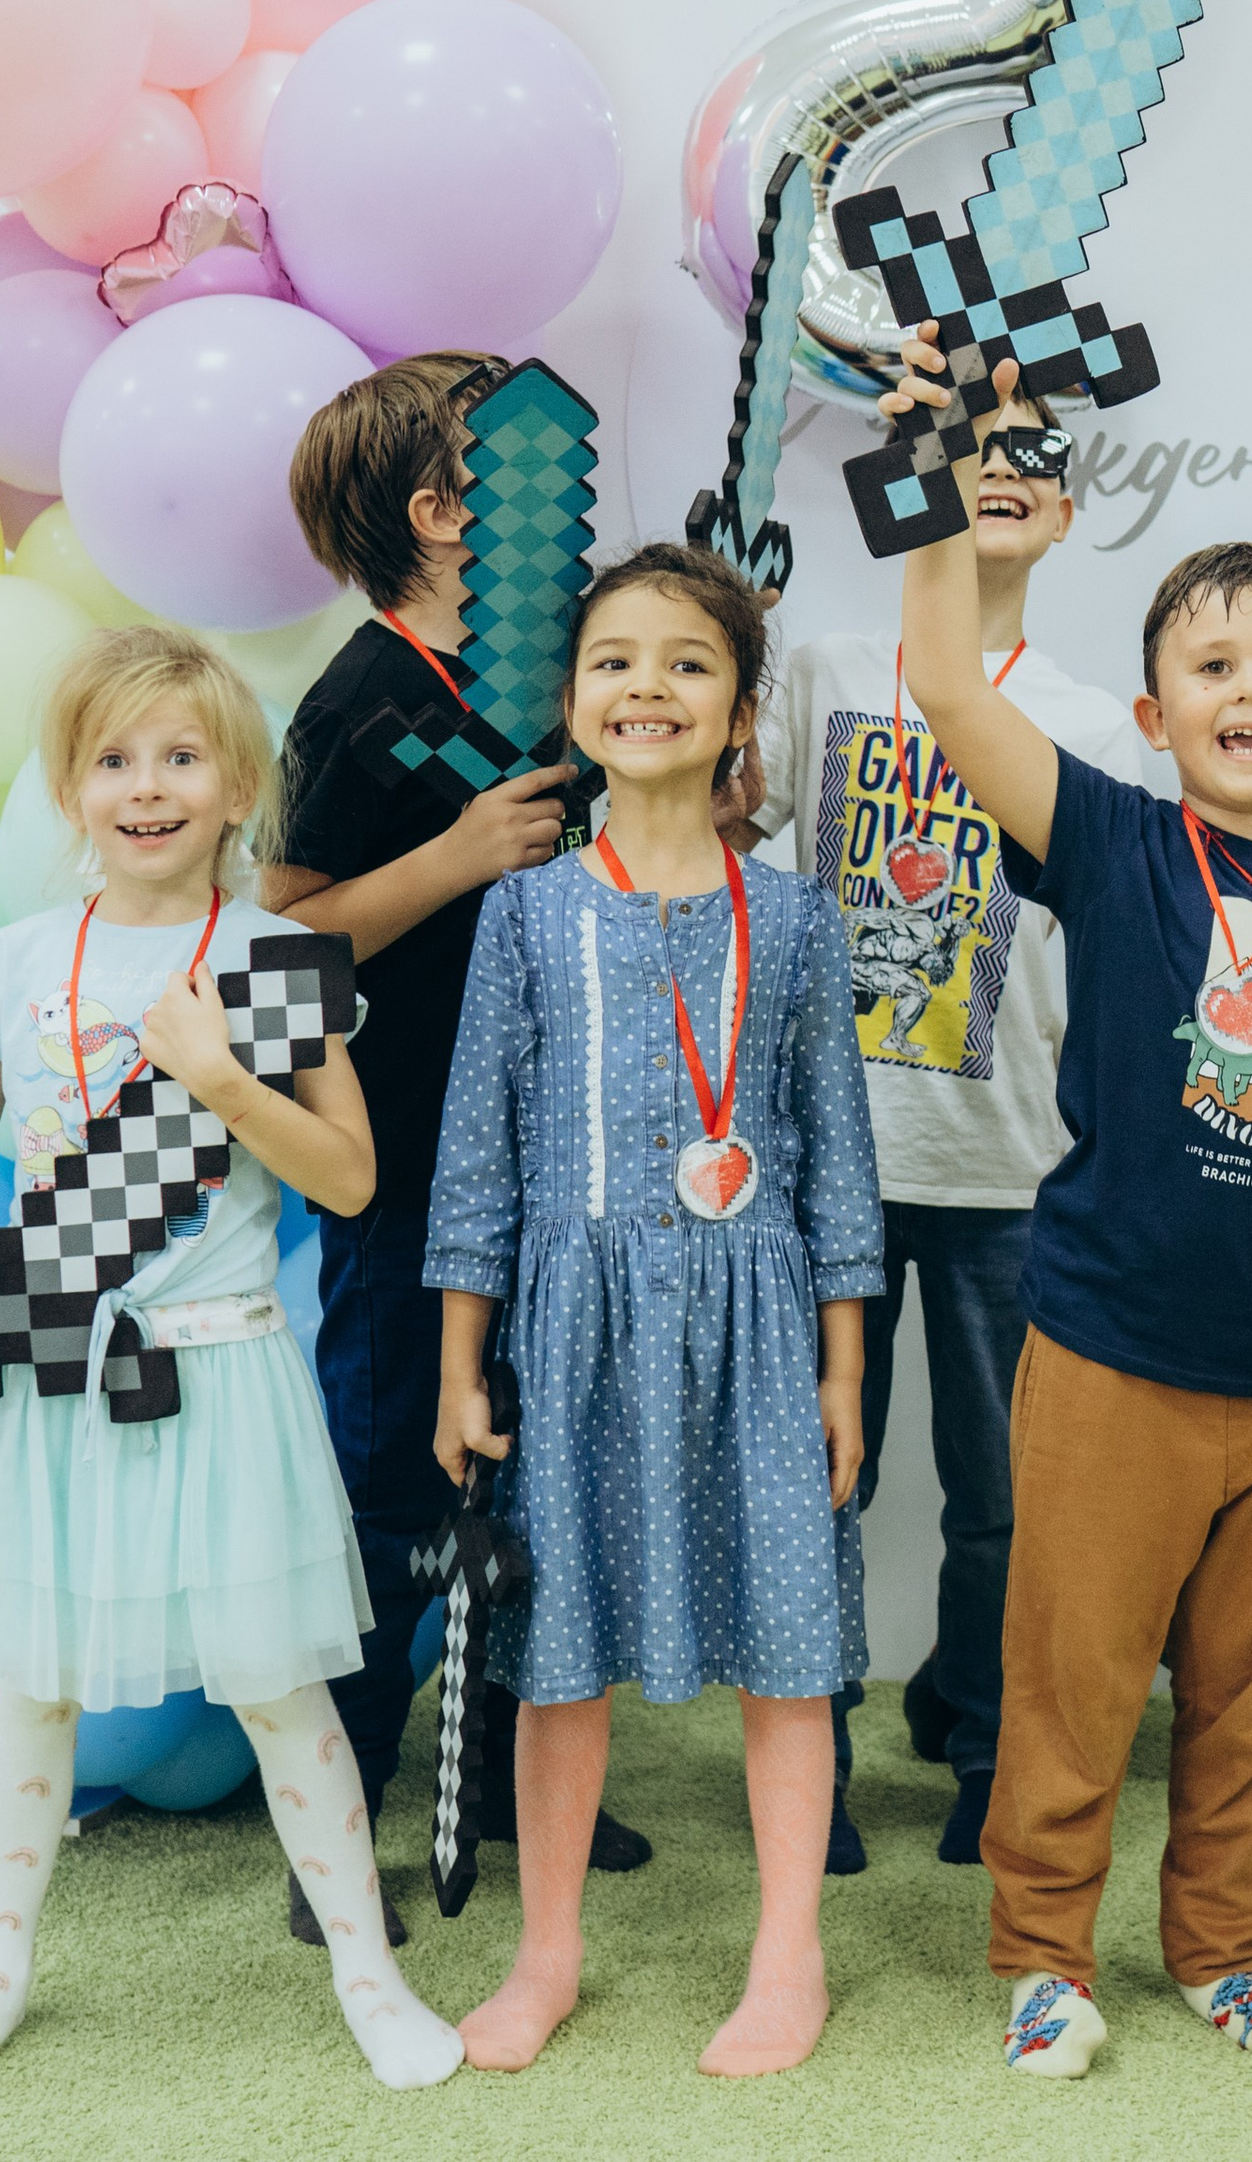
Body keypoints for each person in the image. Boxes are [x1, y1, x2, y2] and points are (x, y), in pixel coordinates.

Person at [889, 353, 1252, 2080]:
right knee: (1073, 1678)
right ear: (1157, 712)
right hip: (1118, 1351)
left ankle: (1225, 1953)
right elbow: (951, 694)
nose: (1250, 689)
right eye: (1215, 666)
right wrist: (928, 476)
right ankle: (1046, 1955)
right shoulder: (1116, 842)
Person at [427, 545, 879, 2078]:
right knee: (557, 1653)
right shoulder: (526, 912)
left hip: (756, 1323)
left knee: (790, 1642)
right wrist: (458, 1368)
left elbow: (837, 1160)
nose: (647, 686)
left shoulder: (798, 917)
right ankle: (544, 1953)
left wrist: (843, 1367)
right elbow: (476, 1152)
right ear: (570, 702)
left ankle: (787, 1956)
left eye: (687, 662)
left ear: (743, 710)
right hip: (569, 1329)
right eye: (614, 660)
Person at [0, 626, 462, 2090]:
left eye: (182, 758)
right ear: (71, 784)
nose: (148, 788)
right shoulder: (19, 961)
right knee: (29, 1691)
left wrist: (213, 1081)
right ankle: (6, 1958)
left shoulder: (273, 962)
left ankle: (367, 1974)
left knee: (280, 1692)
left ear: (237, 782)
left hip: (225, 1372)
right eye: (115, 760)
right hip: (59, 1374)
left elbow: (347, 1178)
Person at [748, 331, 1148, 1874]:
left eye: (1035, 450)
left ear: (1067, 507)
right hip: (822, 1164)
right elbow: (727, 816)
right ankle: (815, 1750)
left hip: (1008, 1170)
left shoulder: (1104, 725)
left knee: (1004, 1496)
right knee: (819, 1478)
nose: (1003, 465)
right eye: (972, 443)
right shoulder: (829, 674)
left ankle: (984, 1738)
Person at [268, 354, 651, 1929]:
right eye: (525, 477)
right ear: (440, 512)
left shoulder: (559, 681)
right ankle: (342, 1818)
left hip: (563, 1160)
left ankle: (499, 1776)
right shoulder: (358, 700)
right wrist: (456, 856)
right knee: (385, 1483)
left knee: (536, 1469)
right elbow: (283, 943)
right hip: (408, 1173)